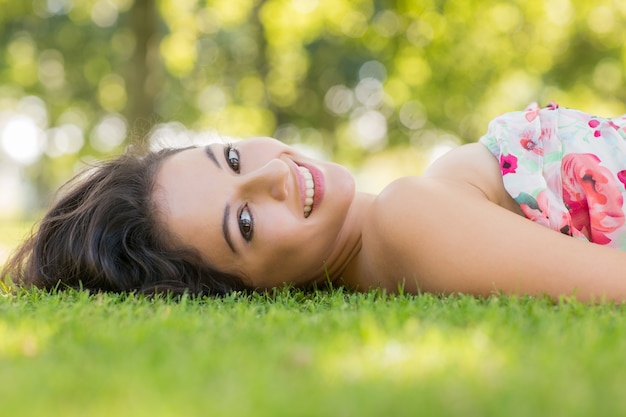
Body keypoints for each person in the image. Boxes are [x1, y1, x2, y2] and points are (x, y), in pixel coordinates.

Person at [4, 102, 626, 301]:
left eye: (232, 158)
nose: (272, 175)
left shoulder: (419, 205)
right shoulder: (408, 218)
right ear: (245, 291)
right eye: (244, 222)